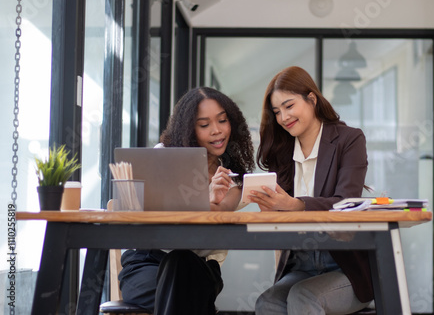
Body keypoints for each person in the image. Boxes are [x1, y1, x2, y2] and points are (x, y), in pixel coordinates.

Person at [118, 87, 255, 315]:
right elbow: (156, 210)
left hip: (199, 268)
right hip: (147, 264)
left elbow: (218, 218)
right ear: (189, 129)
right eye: (204, 125)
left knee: (181, 264)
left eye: (222, 121)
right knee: (186, 291)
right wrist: (206, 198)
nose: (216, 131)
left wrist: (209, 201)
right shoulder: (165, 156)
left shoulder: (234, 178)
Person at [251, 66, 373, 315]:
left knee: (303, 296)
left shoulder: (349, 140)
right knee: (267, 303)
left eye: (289, 106)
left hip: (344, 267)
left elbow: (345, 203)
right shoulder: (282, 153)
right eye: (277, 112)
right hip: (300, 265)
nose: (283, 117)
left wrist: (296, 204)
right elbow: (279, 216)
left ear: (312, 99)